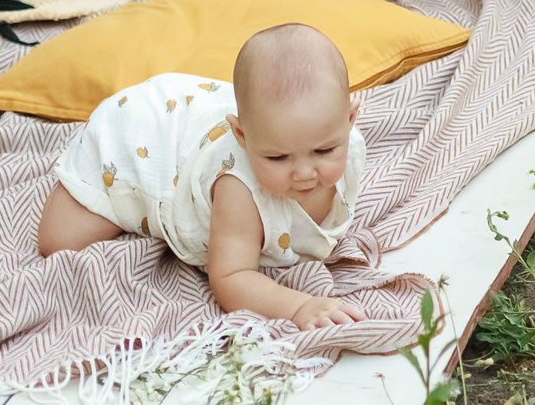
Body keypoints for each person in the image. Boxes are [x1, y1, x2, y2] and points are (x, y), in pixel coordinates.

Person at [35, 22, 368, 329]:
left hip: (200, 112)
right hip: (142, 138)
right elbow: (231, 278)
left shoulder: (343, 144)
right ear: (240, 135)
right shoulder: (237, 187)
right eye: (277, 157)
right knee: (58, 242)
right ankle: (120, 191)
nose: (305, 173)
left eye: (324, 152)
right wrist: (298, 307)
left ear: (349, 118)